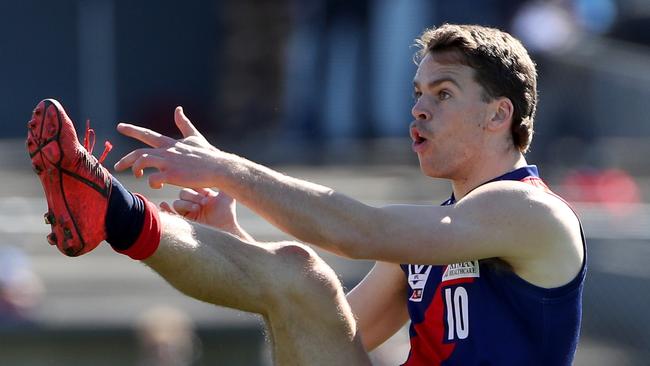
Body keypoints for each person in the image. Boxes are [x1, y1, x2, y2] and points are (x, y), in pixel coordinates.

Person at [26, 24, 585, 365]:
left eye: (443, 93)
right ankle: (111, 209)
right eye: (417, 92)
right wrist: (237, 239)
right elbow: (325, 332)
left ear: (499, 114)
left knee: (306, 272)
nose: (418, 108)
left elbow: (356, 231)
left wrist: (228, 170)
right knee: (299, 277)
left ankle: (112, 207)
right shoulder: (439, 231)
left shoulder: (530, 211)